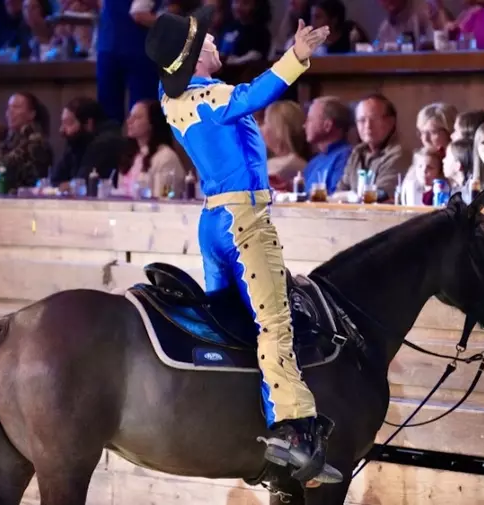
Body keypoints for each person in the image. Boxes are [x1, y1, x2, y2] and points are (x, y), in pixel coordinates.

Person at [144, 5, 343, 486]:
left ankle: (238, 416)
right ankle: (291, 434)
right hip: (243, 223)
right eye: (205, 42)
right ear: (193, 61)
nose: (215, 43)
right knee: (274, 322)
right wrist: (295, 56)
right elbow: (257, 94)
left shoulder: (174, 100)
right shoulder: (213, 96)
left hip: (213, 221)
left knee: (230, 321)